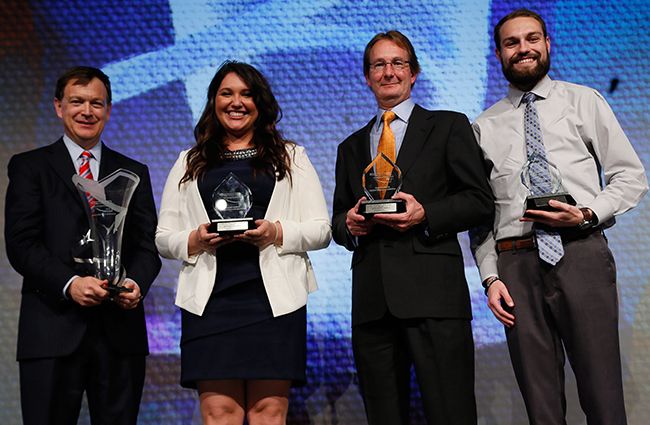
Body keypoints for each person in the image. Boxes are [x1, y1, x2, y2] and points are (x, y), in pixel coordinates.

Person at [471, 9, 648, 425]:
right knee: (541, 405)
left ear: (548, 44)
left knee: (603, 397)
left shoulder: (583, 100)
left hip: (580, 253)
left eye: (532, 38)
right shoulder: (482, 127)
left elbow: (631, 176)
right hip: (515, 265)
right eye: (512, 43)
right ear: (498, 53)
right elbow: (481, 215)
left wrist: (587, 214)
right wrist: (490, 277)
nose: (523, 49)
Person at [331, 30, 494, 425]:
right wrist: (349, 224)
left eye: (397, 63)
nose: (388, 72)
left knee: (450, 411)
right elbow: (338, 221)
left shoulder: (448, 126)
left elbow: (479, 201)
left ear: (414, 73)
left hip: (434, 296)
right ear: (367, 77)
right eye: (378, 65)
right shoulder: (350, 147)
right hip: (372, 303)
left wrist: (426, 214)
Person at [156, 61, 331, 425]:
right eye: (227, 93)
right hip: (209, 303)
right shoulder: (189, 162)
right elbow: (163, 237)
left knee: (268, 413)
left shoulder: (292, 157)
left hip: (273, 303)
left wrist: (275, 233)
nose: (236, 102)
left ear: (260, 102)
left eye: (246, 94)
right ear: (213, 101)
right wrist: (195, 239)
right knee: (219, 413)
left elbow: (320, 229)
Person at [4, 66, 161, 424]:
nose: (87, 111)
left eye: (96, 103)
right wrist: (70, 284)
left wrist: (136, 282)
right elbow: (21, 243)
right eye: (77, 101)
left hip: (120, 333)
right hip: (52, 330)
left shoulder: (134, 171)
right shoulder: (31, 167)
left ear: (108, 109)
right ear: (59, 107)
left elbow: (146, 244)